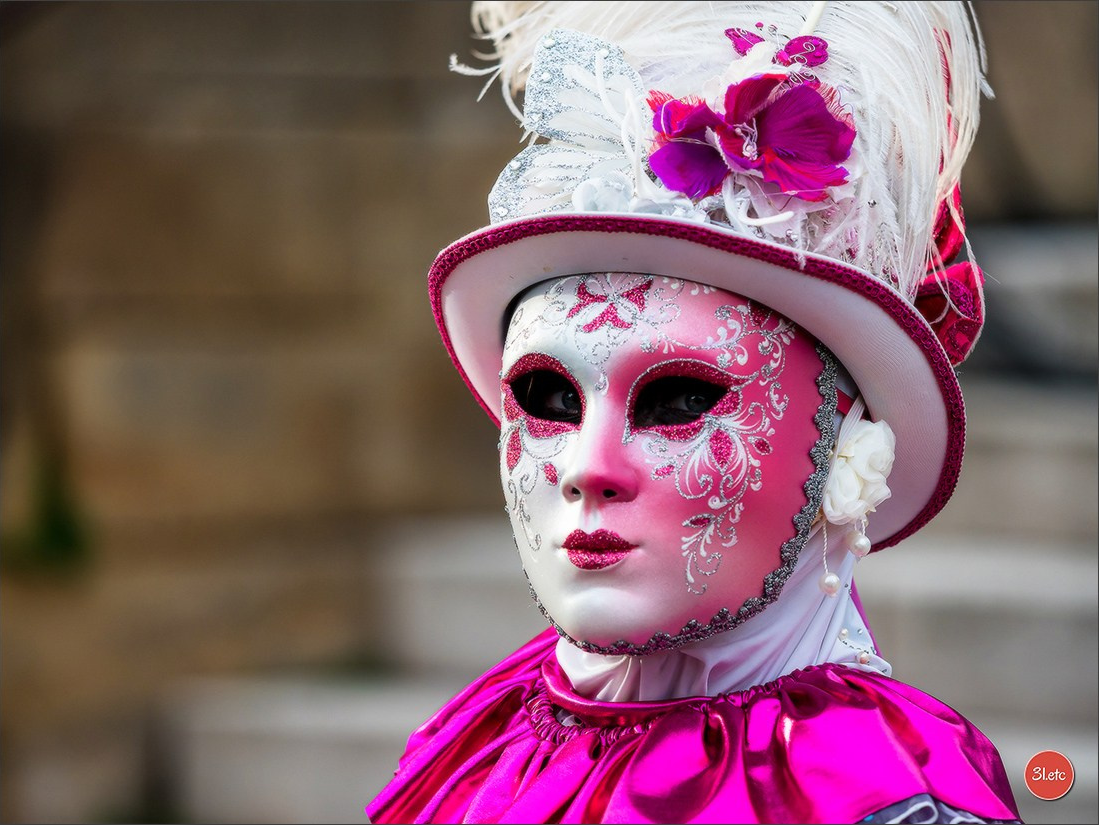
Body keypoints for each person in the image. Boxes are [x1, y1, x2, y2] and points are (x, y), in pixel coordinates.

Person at [367, 1, 1021, 822]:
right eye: (550, 396)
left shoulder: (878, 795)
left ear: (840, 440)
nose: (588, 470)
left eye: (679, 398)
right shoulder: (484, 751)